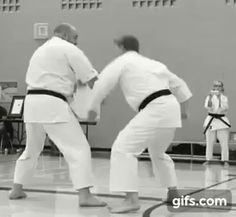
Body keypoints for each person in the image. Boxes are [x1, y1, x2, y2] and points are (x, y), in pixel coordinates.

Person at [87, 35, 192, 213]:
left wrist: (92, 109)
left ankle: (131, 200)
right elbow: (180, 85)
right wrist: (184, 111)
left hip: (154, 108)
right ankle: (173, 192)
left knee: (122, 148)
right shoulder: (153, 63)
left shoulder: (123, 61)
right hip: (170, 106)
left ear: (121, 47)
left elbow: (101, 84)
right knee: (158, 153)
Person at [9, 23, 106, 207]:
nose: (76, 43)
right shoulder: (68, 49)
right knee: (79, 148)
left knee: (32, 149)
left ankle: (17, 188)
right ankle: (85, 195)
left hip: (31, 103)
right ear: (64, 35)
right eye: (75, 38)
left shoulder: (40, 50)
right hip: (52, 103)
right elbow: (91, 78)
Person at [203, 81, 230, 167]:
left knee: (224, 142)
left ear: (222, 88)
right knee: (209, 141)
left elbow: (224, 108)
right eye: (215, 86)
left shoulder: (224, 98)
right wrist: (211, 97)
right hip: (211, 120)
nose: (217, 88)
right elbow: (208, 107)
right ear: (213, 87)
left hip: (221, 121)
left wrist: (218, 98)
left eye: (219, 86)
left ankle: (225, 160)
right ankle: (208, 159)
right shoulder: (208, 97)